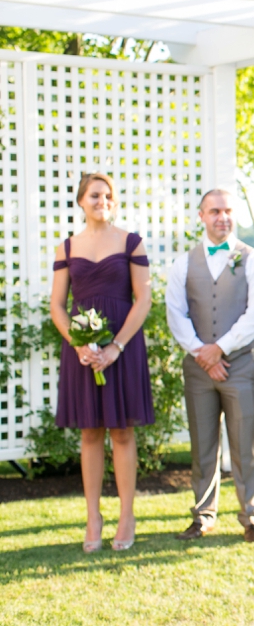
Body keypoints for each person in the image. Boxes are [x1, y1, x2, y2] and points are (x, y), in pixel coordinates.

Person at [50, 172, 154, 553]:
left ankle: (127, 515)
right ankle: (93, 516)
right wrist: (78, 345)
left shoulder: (130, 242)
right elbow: (57, 305)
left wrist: (117, 347)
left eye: (108, 195)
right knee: (90, 432)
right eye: (95, 195)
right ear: (81, 200)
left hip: (122, 348)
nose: (102, 201)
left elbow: (143, 299)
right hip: (82, 351)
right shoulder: (67, 248)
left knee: (122, 431)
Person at [165, 189, 254, 543]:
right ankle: (202, 515)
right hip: (198, 369)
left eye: (227, 210)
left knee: (245, 444)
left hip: (239, 365)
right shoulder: (184, 262)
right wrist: (202, 353)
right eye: (214, 211)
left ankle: (252, 517)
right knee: (203, 444)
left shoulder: (252, 259)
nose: (221, 217)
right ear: (201, 216)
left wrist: (220, 349)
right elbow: (176, 314)